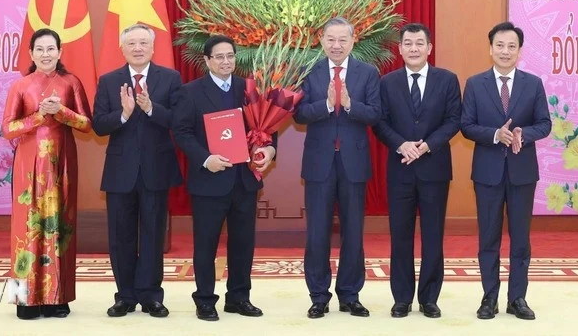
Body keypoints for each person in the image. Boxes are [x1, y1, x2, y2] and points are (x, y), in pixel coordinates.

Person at [171, 35, 276, 321]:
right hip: (209, 181)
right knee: (206, 244)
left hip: (244, 180)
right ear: (207, 61)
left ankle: (239, 298)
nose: (226, 61)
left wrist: (269, 148)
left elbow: (268, 126)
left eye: (230, 56)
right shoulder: (190, 92)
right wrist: (206, 159)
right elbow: (182, 132)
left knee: (243, 242)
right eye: (219, 57)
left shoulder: (249, 89)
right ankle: (205, 300)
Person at [461, 21, 552, 321]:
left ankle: (518, 298)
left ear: (519, 51)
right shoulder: (475, 84)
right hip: (487, 173)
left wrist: (523, 134)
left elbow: (545, 123)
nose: (505, 51)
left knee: (520, 239)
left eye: (511, 46)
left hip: (522, 173)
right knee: (488, 238)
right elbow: (466, 125)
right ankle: (489, 297)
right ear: (490, 49)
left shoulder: (533, 83)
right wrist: (494, 134)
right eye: (500, 45)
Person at [92, 24, 183, 318]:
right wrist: (124, 114)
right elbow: (98, 125)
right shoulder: (109, 81)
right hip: (121, 171)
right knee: (121, 236)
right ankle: (125, 296)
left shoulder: (170, 79)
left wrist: (151, 108)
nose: (138, 47)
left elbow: (179, 121)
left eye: (144, 42)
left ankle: (151, 296)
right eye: (132, 43)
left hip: (157, 169)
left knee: (153, 234)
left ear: (153, 47)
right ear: (123, 48)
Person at [1, 28, 92, 320]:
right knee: (28, 226)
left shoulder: (71, 82)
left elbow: (86, 124)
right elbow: (8, 129)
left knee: (59, 224)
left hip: (61, 163)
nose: (46, 54)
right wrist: (40, 115)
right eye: (39, 49)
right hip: (28, 166)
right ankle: (26, 298)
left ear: (59, 51)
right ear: (30, 54)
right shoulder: (21, 86)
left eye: (51, 49)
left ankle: (58, 296)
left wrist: (62, 112)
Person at [293, 17, 381, 319]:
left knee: (353, 232)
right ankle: (318, 296)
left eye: (343, 39)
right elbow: (299, 115)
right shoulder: (309, 72)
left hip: (354, 165)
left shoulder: (368, 73)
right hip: (319, 164)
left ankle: (350, 295)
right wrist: (328, 106)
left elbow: (375, 115)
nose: (336, 45)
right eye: (331, 39)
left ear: (353, 41)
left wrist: (350, 104)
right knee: (317, 233)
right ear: (321, 39)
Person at [373, 23, 461, 319]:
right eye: (408, 43)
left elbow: (453, 120)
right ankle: (401, 298)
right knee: (400, 236)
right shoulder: (387, 83)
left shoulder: (447, 80)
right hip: (400, 169)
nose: (413, 48)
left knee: (433, 236)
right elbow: (380, 122)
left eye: (419, 43)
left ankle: (429, 298)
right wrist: (401, 145)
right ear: (400, 49)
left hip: (434, 169)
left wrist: (426, 146)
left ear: (429, 48)